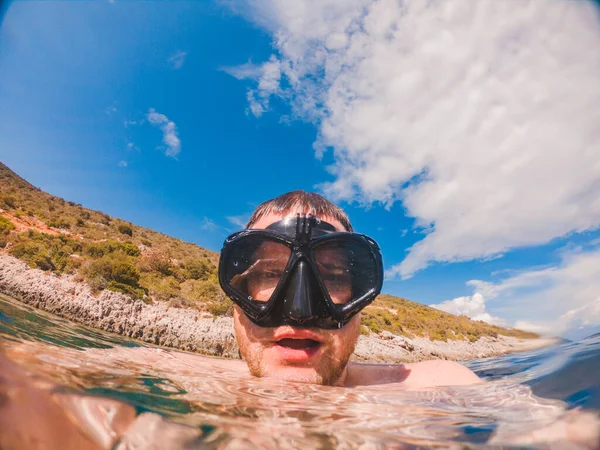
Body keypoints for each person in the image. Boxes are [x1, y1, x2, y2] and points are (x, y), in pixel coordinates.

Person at [218, 190, 481, 388]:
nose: (300, 312)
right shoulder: (180, 375)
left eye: (331, 277)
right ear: (238, 293)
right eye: (271, 273)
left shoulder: (440, 387)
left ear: (359, 299)